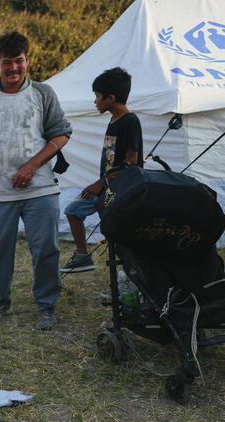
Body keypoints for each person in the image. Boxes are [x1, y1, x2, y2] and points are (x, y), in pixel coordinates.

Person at [0, 31, 72, 330]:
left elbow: (61, 133)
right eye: (7, 62)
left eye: (19, 61)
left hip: (41, 188)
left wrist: (32, 165)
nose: (13, 69)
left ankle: (47, 305)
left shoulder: (43, 93)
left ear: (27, 61)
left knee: (46, 248)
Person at [61, 67, 142, 273]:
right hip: (107, 189)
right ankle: (82, 256)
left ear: (111, 98)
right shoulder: (113, 120)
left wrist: (101, 183)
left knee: (122, 240)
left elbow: (131, 163)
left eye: (97, 96)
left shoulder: (130, 121)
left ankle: (127, 282)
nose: (95, 101)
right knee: (73, 210)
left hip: (122, 191)